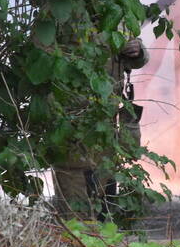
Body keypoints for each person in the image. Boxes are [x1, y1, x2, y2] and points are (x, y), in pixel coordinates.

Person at [52, 37, 148, 220]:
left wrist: (137, 50)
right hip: (73, 129)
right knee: (76, 216)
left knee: (105, 208)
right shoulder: (60, 15)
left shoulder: (115, 15)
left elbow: (138, 58)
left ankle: (100, 246)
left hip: (106, 131)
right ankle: (79, 245)